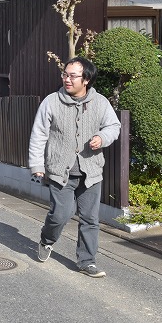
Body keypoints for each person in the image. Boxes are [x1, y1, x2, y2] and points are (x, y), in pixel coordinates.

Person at [29, 57, 121, 278]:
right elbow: (39, 134)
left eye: (72, 76)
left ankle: (87, 261)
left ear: (86, 79)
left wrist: (102, 137)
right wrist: (36, 164)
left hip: (91, 171)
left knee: (90, 219)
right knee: (61, 214)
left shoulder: (100, 102)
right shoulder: (51, 101)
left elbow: (113, 126)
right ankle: (47, 239)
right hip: (60, 171)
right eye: (65, 74)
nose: (67, 79)